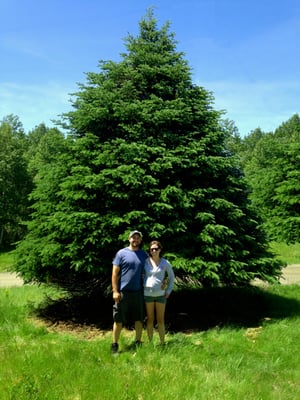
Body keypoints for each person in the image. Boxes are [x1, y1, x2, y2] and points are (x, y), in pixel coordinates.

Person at [111, 230, 148, 354]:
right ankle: (115, 345)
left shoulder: (143, 255)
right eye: (133, 237)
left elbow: (151, 271)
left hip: (138, 292)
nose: (135, 240)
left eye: (138, 238)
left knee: (139, 319)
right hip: (123, 293)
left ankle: (138, 342)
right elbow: (114, 274)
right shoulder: (121, 253)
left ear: (140, 240)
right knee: (119, 320)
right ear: (129, 239)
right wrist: (115, 291)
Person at [144, 240, 175, 345]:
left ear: (160, 250)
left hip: (161, 295)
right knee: (150, 319)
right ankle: (150, 342)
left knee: (160, 320)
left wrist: (168, 290)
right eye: (152, 249)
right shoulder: (145, 262)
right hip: (148, 295)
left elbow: (171, 277)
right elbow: (140, 275)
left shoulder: (165, 263)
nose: (154, 251)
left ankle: (162, 343)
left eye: (156, 249)